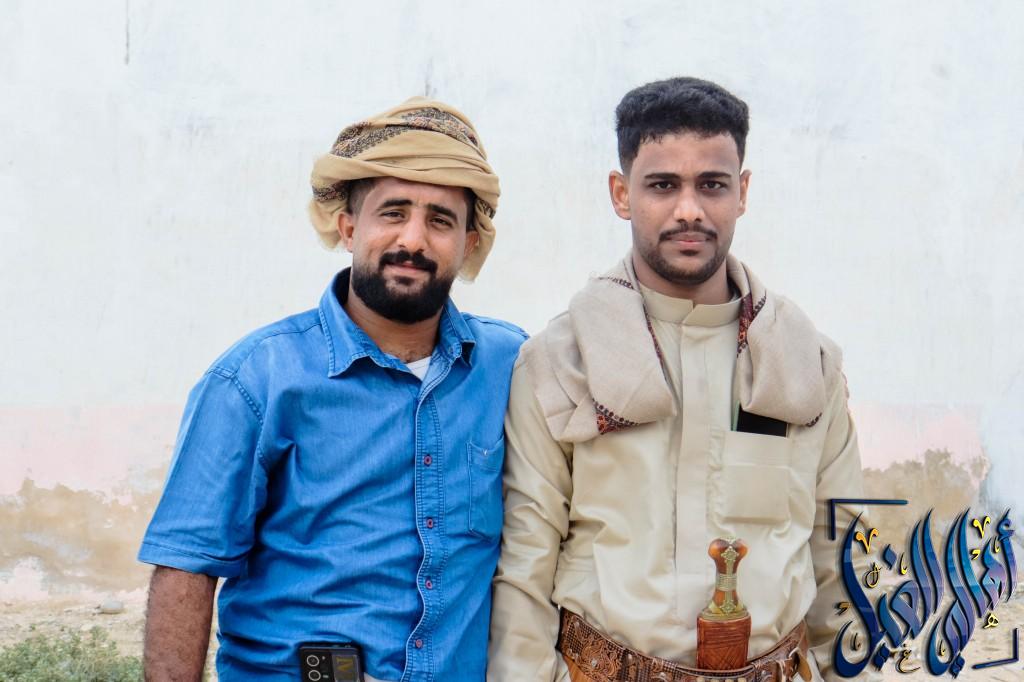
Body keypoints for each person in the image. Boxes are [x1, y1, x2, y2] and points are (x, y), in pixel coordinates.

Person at [488, 77, 872, 682]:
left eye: (712, 185)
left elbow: (843, 557)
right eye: (663, 185)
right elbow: (524, 565)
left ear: (742, 193)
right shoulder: (561, 363)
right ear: (622, 194)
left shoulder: (804, 362)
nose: (689, 209)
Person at [138, 97, 526, 682]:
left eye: (441, 220)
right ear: (348, 228)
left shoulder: (510, 366)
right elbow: (186, 566)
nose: (413, 240)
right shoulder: (258, 379)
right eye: (392, 213)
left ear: (469, 242)